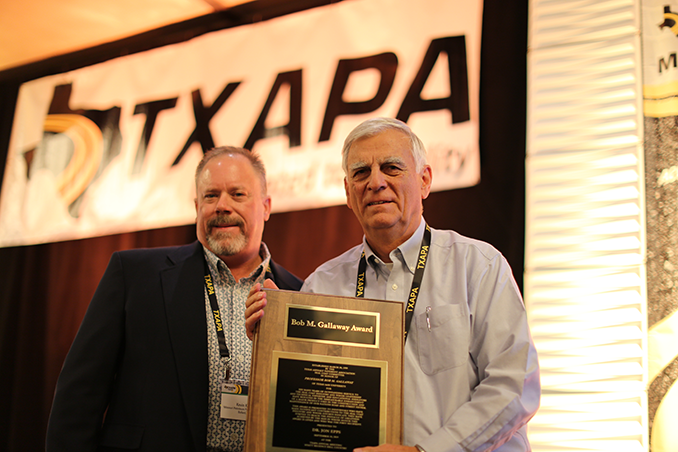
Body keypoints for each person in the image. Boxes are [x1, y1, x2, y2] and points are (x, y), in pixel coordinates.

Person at [246, 118, 540, 452]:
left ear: (424, 180)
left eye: (391, 168)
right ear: (348, 193)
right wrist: (274, 340)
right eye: (361, 173)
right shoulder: (322, 286)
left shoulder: (478, 266)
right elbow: (307, 402)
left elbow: (514, 385)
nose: (375, 182)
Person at [46, 146, 302, 452]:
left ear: (266, 206)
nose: (222, 206)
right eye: (210, 196)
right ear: (197, 206)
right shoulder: (134, 275)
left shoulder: (298, 294)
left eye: (237, 194)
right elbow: (79, 394)